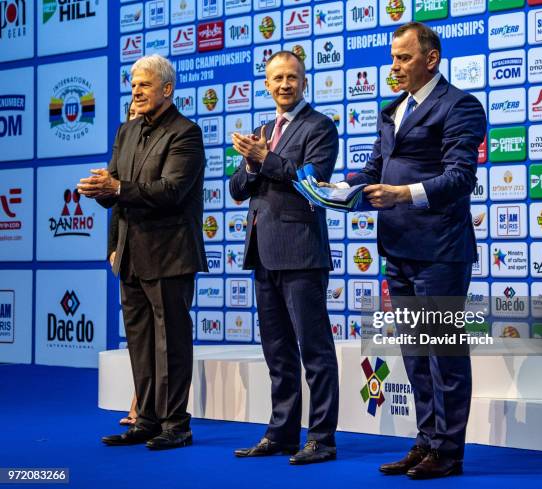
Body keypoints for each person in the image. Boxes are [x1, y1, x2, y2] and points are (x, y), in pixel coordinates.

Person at [324, 22, 486, 479]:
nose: (394, 67)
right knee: (415, 356)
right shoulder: (392, 108)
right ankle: (426, 441)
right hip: (397, 247)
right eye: (393, 58)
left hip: (440, 250)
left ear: (430, 59)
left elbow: (460, 179)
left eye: (404, 58)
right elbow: (374, 167)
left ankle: (448, 453)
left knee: (444, 355)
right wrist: (334, 189)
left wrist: (401, 193)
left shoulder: (460, 106)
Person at [78, 54, 206, 450]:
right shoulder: (127, 130)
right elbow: (116, 191)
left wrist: (116, 189)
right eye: (133, 84)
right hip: (131, 254)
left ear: (166, 90)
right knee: (140, 341)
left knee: (171, 342)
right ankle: (147, 420)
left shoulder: (186, 132)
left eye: (144, 84)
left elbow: (171, 192)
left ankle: (176, 424)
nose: (136, 90)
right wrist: (104, 197)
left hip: (170, 253)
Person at [229, 51, 339, 465]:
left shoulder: (320, 127)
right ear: (266, 84)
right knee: (277, 352)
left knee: (315, 352)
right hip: (263, 253)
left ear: (304, 81)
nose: (284, 85)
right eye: (277, 78)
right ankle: (282, 433)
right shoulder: (262, 131)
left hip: (302, 253)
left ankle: (322, 439)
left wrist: (264, 159)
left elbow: (311, 182)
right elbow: (238, 188)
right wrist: (254, 161)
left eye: (292, 77)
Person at [109, 100, 140, 427]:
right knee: (137, 337)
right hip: (127, 250)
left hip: (161, 250)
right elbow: (116, 206)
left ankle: (143, 406)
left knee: (158, 338)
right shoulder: (123, 143)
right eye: (130, 115)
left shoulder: (175, 138)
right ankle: (140, 405)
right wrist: (111, 248)